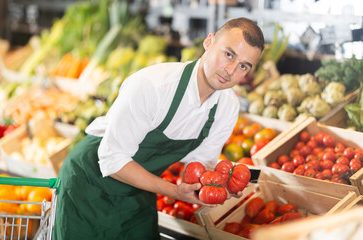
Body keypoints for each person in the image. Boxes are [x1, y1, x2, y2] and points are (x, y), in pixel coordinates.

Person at [52, 17, 264, 240]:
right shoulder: (153, 85)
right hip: (89, 183)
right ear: (209, 42)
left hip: (139, 190)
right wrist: (174, 191)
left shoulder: (226, 107)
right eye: (228, 54)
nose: (231, 70)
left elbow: (200, 165)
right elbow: (112, 160)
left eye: (243, 66)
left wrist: (222, 184)